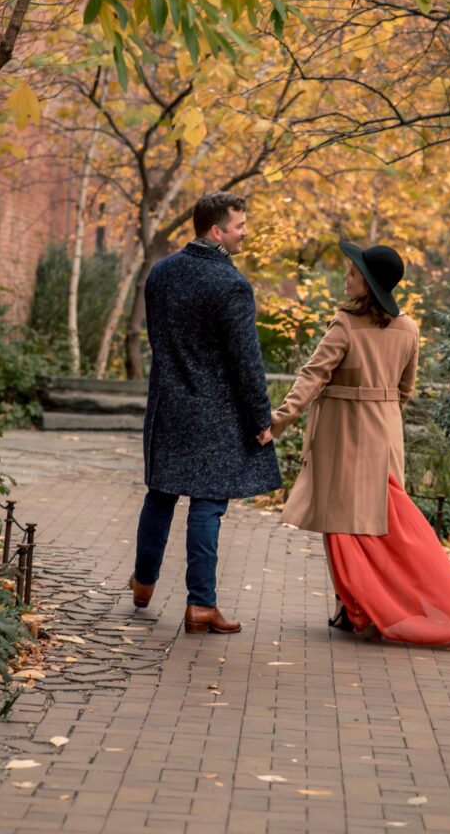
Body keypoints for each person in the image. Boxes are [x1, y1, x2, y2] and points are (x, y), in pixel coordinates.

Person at [271, 241, 450, 643]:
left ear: (368, 286)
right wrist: (381, 409)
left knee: (343, 525)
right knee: (383, 526)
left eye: (353, 273)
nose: (346, 278)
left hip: (341, 431)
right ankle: (371, 606)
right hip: (385, 432)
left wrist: (278, 421)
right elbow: (406, 390)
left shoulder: (344, 324)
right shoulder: (409, 327)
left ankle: (354, 607)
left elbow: (312, 376)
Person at [130, 191, 281, 633]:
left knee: (160, 494)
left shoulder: (161, 273)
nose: (245, 232)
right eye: (240, 225)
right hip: (213, 414)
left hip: (166, 405)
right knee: (207, 505)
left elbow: (161, 340)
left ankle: (143, 585)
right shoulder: (230, 285)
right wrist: (261, 420)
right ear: (217, 231)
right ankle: (201, 606)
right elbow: (246, 362)